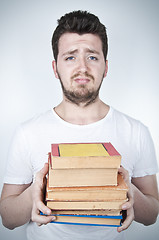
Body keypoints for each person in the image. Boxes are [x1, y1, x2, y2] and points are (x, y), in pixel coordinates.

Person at [0, 10, 159, 240]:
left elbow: (152, 214)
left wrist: (126, 188)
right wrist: (35, 193)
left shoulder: (136, 132)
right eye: (70, 57)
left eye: (92, 56)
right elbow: (7, 218)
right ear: (55, 68)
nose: (82, 67)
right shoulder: (27, 133)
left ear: (106, 66)